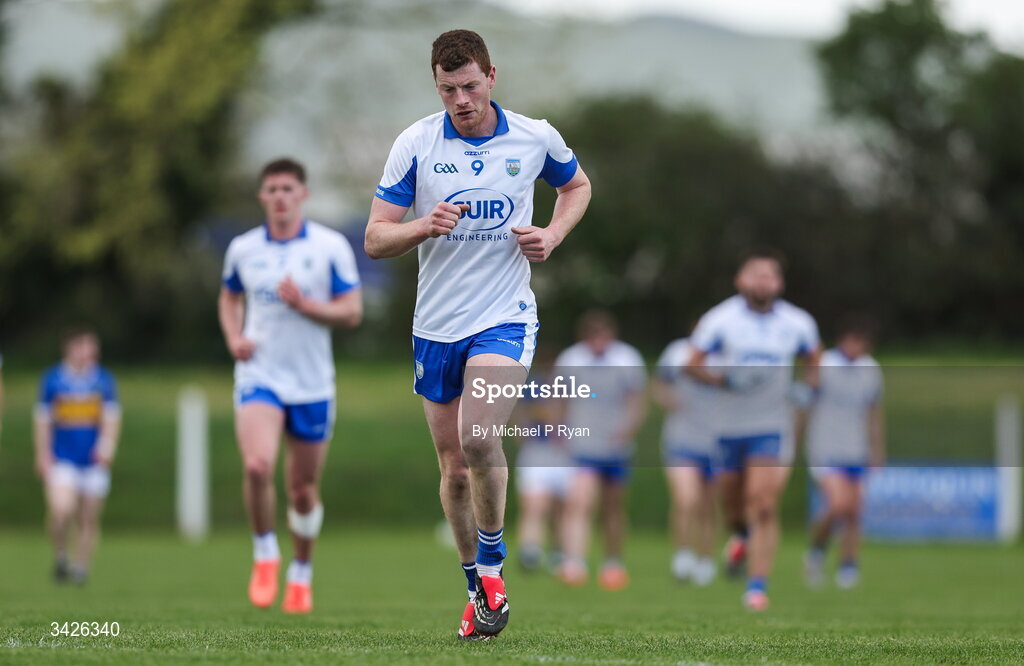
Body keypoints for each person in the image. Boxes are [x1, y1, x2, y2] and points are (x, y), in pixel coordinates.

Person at [364, 29, 591, 639]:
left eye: (469, 86)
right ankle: (479, 589)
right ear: (435, 86)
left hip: (504, 316)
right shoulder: (415, 143)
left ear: (492, 75)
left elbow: (577, 187)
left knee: (481, 439)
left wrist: (554, 233)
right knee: (455, 469)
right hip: (435, 327)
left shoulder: (533, 135)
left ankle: (492, 563)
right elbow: (375, 237)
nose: (461, 100)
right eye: (447, 89)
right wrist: (422, 227)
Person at [218, 158, 363, 614]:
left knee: (301, 490)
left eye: (287, 188)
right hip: (259, 375)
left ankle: (301, 573)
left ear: (303, 195)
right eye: (271, 189)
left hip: (312, 382)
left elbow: (352, 312)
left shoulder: (329, 246)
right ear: (262, 197)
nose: (279, 196)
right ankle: (265, 555)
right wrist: (234, 336)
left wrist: (306, 305)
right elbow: (228, 295)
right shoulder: (243, 248)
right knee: (258, 466)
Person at [687, 248, 820, 611]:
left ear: (779, 283)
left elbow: (814, 360)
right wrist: (724, 379)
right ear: (740, 280)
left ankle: (757, 586)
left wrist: (806, 390)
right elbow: (691, 365)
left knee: (762, 503)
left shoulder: (798, 323)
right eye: (755, 274)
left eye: (770, 275)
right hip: (728, 426)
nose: (763, 281)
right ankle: (741, 537)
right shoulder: (720, 320)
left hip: (772, 426)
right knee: (732, 505)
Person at [555, 311, 647, 591]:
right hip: (583, 446)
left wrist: (628, 430)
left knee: (612, 507)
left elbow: (637, 401)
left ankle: (613, 563)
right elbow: (559, 399)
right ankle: (574, 563)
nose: (599, 342)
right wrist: (559, 430)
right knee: (579, 502)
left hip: (616, 446)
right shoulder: (571, 360)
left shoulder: (627, 359)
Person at [803, 315, 885, 589]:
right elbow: (804, 401)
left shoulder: (871, 370)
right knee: (837, 505)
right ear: (844, 340)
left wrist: (877, 449)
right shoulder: (824, 364)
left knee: (854, 511)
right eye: (854, 341)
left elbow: (873, 412)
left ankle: (849, 566)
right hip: (825, 447)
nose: (858, 347)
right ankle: (815, 552)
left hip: (856, 449)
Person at [34, 329, 120, 584]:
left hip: (93, 461)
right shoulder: (53, 380)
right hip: (62, 458)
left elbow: (112, 418)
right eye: (85, 347)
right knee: (62, 510)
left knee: (88, 517)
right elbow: (42, 421)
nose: (91, 353)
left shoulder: (103, 381)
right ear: (70, 348)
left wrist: (106, 448)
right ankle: (61, 555)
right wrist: (42, 454)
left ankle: (81, 568)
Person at [653, 335, 720, 586]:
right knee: (685, 499)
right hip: (681, 439)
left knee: (708, 506)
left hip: (716, 440)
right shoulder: (677, 351)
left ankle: (706, 559)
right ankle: (683, 554)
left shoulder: (728, 353)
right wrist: (667, 399)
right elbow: (658, 386)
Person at [512, 355, 572, 574]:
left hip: (563, 453)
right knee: (534, 505)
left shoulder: (568, 387)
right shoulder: (531, 386)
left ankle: (560, 552)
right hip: (536, 451)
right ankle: (530, 551)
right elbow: (521, 415)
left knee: (560, 507)